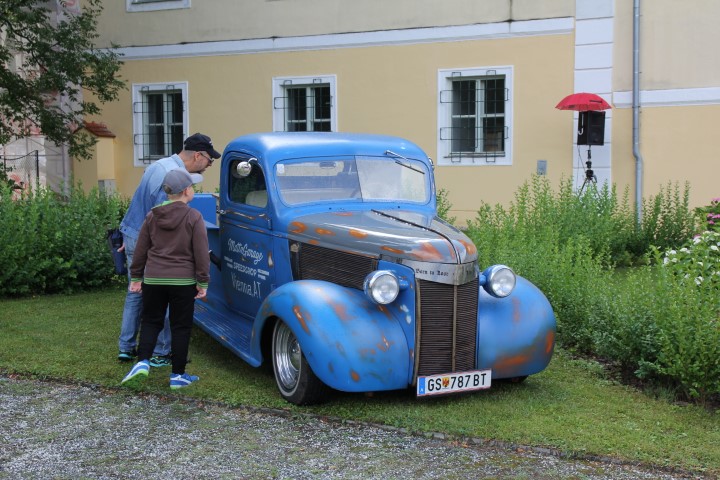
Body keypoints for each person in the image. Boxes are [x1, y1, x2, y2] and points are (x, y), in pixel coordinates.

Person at [117, 133, 220, 367]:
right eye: (209, 160)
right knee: (160, 293)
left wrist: (127, 233)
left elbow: (138, 202)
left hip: (135, 232)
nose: (209, 165)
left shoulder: (159, 164)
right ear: (198, 155)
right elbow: (164, 224)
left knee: (135, 294)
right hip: (152, 242)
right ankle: (161, 351)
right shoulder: (173, 178)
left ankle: (126, 347)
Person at [121, 168, 210, 389]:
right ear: (186, 191)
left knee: (151, 321)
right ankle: (178, 376)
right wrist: (202, 282)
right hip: (183, 282)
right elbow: (201, 252)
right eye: (192, 187)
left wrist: (136, 277)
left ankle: (142, 361)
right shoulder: (194, 216)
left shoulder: (152, 216)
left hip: (154, 280)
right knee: (181, 326)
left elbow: (141, 249)